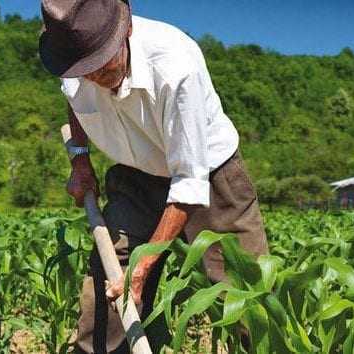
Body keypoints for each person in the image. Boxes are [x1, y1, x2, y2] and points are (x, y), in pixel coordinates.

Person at [39, 0, 269, 353]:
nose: (95, 77)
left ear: (126, 30)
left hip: (209, 176)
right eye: (86, 70)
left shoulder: (176, 67)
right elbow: (75, 101)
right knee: (109, 285)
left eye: (102, 63)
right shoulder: (72, 62)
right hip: (135, 175)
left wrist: (143, 267)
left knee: (243, 296)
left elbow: (190, 183)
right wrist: (80, 161)